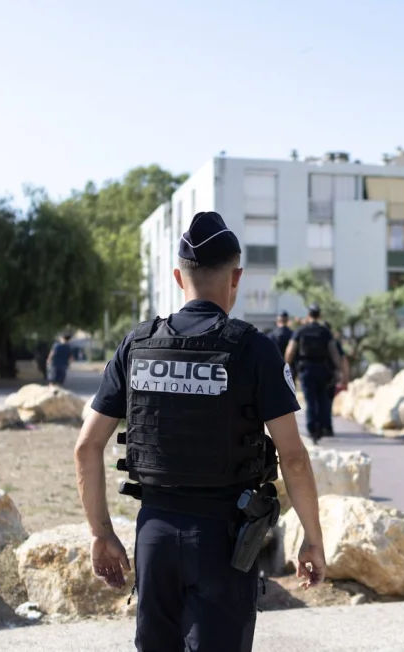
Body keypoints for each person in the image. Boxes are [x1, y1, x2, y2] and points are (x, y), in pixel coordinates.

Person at [73, 211, 326, 652]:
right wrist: (312, 538)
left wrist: (101, 533)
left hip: (153, 533)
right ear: (237, 278)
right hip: (223, 541)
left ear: (178, 276)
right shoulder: (254, 349)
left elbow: (86, 448)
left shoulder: (138, 344)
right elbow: (295, 457)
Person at [285, 304, 342, 443]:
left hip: (306, 370)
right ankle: (322, 426)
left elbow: (291, 350)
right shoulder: (324, 331)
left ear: (308, 315)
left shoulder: (301, 330)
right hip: (323, 370)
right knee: (323, 399)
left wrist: (286, 365)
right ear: (319, 315)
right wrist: (337, 369)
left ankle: (312, 429)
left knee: (310, 401)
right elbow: (333, 351)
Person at [321, 321, 350, 414]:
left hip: (317, 373)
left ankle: (317, 424)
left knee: (316, 399)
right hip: (331, 374)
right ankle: (326, 424)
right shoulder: (334, 342)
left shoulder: (314, 340)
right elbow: (343, 360)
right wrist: (345, 376)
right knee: (328, 400)